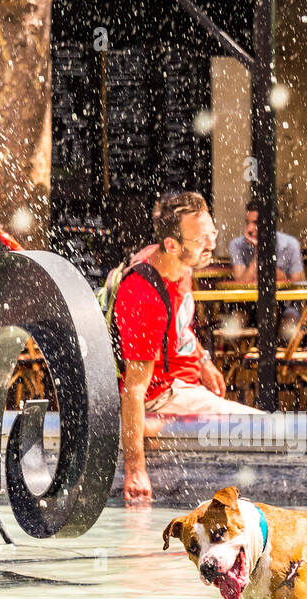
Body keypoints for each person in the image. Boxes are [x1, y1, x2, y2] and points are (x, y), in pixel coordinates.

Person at [116, 192, 263, 507]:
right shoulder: (144, 296)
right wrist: (136, 469)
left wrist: (204, 360)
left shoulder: (180, 264)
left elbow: (180, 328)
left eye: (212, 233)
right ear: (171, 244)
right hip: (160, 399)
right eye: (201, 240)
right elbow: (134, 391)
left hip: (181, 387)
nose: (211, 245)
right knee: (266, 431)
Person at [228, 202, 306, 283]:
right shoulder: (237, 245)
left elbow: (297, 284)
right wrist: (258, 252)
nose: (249, 229)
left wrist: (264, 252)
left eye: (256, 223)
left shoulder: (290, 244)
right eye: (248, 223)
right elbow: (241, 284)